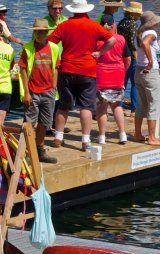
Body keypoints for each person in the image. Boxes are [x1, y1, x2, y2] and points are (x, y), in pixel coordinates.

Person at [48, 0, 116, 152]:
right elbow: (112, 39)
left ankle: (58, 137)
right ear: (87, 10)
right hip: (87, 70)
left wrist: (55, 60)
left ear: (73, 10)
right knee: (86, 107)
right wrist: (100, 52)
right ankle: (85, 141)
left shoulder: (64, 25)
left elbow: (50, 42)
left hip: (67, 69)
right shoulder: (93, 25)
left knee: (64, 106)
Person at [19, 19, 60, 163]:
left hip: (48, 91)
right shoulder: (28, 48)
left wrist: (54, 85)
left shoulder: (53, 48)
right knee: (30, 123)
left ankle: (40, 150)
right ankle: (26, 152)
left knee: (44, 123)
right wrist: (26, 92)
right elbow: (23, 70)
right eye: (36, 31)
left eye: (42, 31)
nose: (39, 34)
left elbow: (56, 66)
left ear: (47, 33)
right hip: (33, 91)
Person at [96, 14, 131, 145]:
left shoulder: (97, 40)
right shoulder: (121, 39)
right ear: (113, 25)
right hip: (117, 75)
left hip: (101, 75)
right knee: (117, 106)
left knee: (101, 107)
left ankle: (102, 137)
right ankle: (122, 135)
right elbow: (128, 59)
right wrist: (123, 71)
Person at [134, 11, 160, 146]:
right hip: (149, 71)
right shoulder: (151, 33)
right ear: (152, 23)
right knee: (154, 104)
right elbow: (146, 44)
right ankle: (152, 137)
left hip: (138, 70)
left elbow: (140, 47)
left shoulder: (138, 34)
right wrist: (151, 62)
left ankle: (137, 134)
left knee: (141, 103)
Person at [44, 0, 69, 136]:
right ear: (49, 9)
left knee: (63, 94)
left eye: (60, 8)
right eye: (55, 8)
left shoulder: (66, 21)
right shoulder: (44, 23)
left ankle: (57, 123)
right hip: (49, 63)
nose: (58, 11)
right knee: (50, 94)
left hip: (64, 62)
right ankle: (47, 125)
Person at [117, 1, 142, 117]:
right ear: (134, 14)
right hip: (131, 56)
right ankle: (134, 109)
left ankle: (119, 106)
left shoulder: (121, 23)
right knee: (134, 83)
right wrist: (135, 52)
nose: (139, 17)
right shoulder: (132, 24)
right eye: (138, 15)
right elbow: (132, 42)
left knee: (122, 83)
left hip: (121, 55)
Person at [0, 23, 14, 125]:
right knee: (0, 123)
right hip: (5, 86)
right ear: (1, 32)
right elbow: (11, 66)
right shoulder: (10, 49)